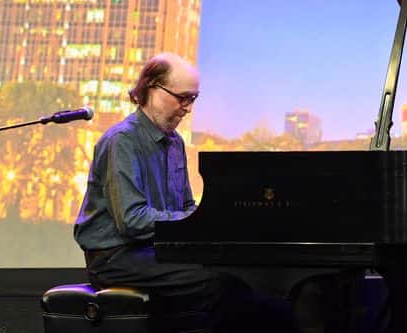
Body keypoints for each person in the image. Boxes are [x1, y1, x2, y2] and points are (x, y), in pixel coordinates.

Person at [74, 52, 300, 333]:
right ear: (152, 89)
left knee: (251, 285)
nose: (188, 108)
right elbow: (131, 220)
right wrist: (196, 221)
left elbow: (185, 206)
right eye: (182, 98)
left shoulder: (175, 143)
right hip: (115, 257)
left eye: (193, 99)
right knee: (221, 283)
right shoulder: (122, 140)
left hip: (153, 251)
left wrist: (214, 222)